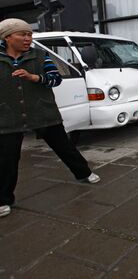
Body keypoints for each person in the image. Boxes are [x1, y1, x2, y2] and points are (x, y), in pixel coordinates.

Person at [0, 18, 100, 218]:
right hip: (8, 116)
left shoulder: (40, 56)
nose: (28, 38)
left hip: (42, 111)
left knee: (64, 147)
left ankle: (84, 173)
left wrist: (35, 78)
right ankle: (3, 199)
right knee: (7, 159)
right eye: (23, 34)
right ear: (8, 37)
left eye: (30, 34)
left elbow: (56, 78)